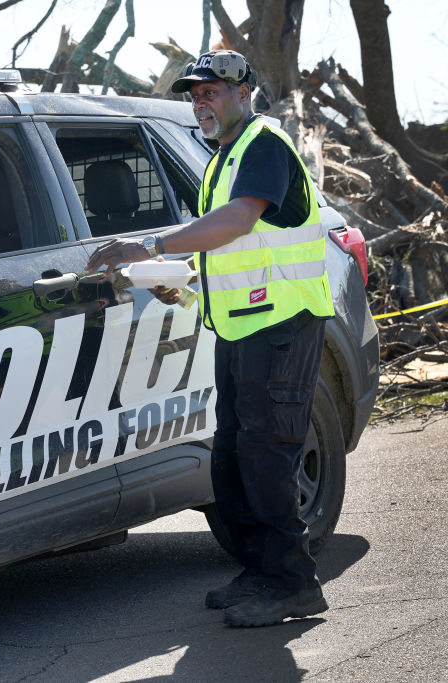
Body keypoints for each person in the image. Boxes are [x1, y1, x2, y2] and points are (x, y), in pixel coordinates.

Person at [84, 49, 335, 628]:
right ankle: (260, 570)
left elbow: (240, 222)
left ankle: (294, 583)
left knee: (268, 457)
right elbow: (233, 253)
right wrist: (182, 285)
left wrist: (149, 248)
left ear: (243, 92)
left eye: (211, 92)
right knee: (234, 457)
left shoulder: (263, 144)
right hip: (241, 327)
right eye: (194, 95)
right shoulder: (221, 159)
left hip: (280, 325)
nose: (201, 102)